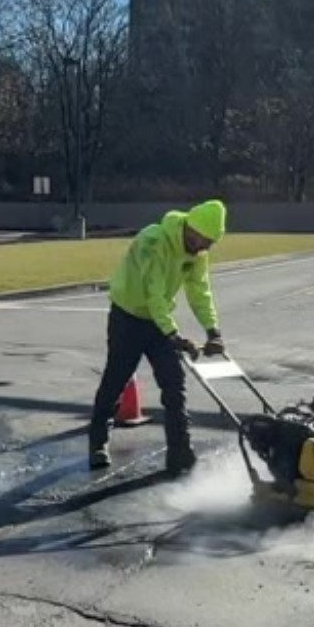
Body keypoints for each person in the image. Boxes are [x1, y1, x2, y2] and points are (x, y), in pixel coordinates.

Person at [88, 199, 229, 472]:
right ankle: (97, 443)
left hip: (158, 322)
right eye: (205, 241)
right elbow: (152, 293)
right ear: (192, 229)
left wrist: (213, 331)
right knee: (115, 380)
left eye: (211, 243)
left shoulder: (197, 254)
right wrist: (173, 334)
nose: (206, 248)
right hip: (128, 316)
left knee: (174, 384)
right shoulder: (153, 241)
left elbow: (200, 292)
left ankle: (180, 452)